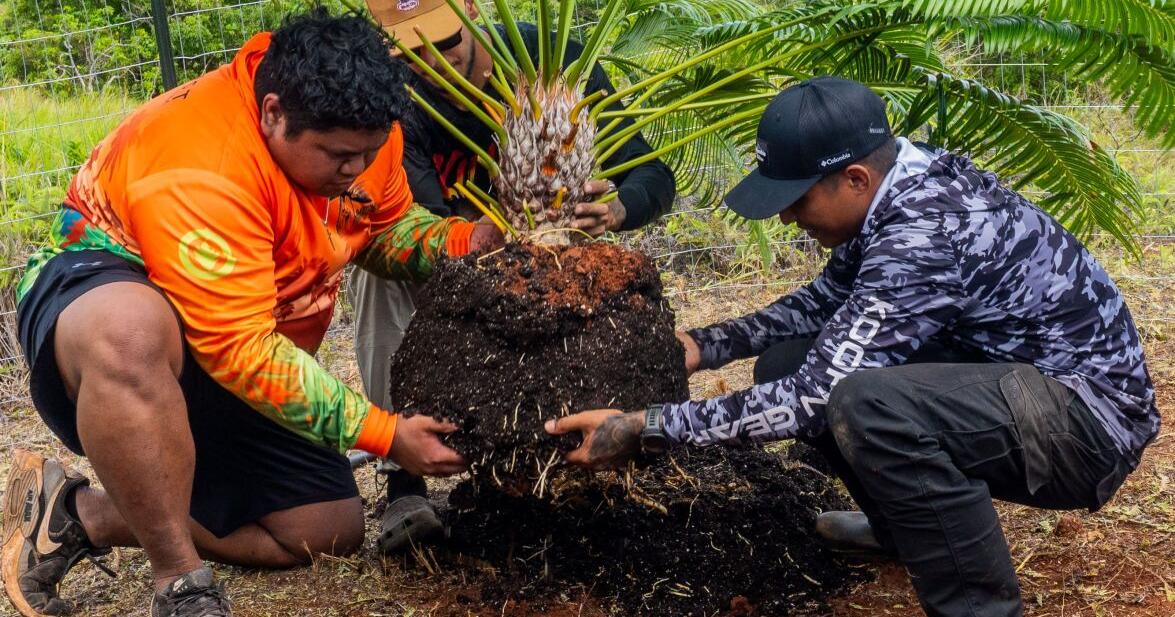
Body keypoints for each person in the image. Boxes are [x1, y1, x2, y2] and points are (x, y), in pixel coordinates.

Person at [547, 76, 1160, 617]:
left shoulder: (924, 231)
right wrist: (704, 345)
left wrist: (643, 427)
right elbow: (826, 302)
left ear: (855, 178)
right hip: (1018, 383)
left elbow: (813, 400)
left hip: (1083, 426)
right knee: (789, 361)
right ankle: (904, 531)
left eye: (796, 200)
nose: (787, 220)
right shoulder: (899, 184)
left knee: (862, 402)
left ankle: (980, 608)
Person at [3, 10, 497, 617]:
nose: (356, 171)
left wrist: (463, 243)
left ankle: (79, 513)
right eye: (339, 156)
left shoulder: (366, 137)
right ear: (272, 113)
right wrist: (387, 435)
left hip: (231, 334)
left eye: (368, 154)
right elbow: (241, 349)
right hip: (105, 298)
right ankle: (179, 582)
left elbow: (384, 228)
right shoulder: (202, 160)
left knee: (326, 529)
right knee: (128, 330)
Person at [356, 0, 677, 554]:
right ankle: (403, 480)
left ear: (475, 8)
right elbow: (420, 219)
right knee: (375, 273)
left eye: (444, 39)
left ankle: (591, 448)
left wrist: (618, 210)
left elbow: (652, 173)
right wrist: (490, 236)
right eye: (408, 49)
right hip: (460, 253)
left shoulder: (553, 66)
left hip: (558, 251)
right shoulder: (397, 95)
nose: (429, 60)